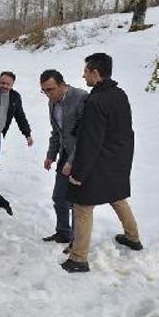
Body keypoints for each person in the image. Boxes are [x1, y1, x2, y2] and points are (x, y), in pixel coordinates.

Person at [61, 53, 143, 273]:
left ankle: (78, 258)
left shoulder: (96, 101)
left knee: (83, 207)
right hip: (120, 159)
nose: (83, 75)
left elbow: (90, 142)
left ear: (95, 73)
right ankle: (132, 237)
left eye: (86, 71)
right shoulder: (119, 94)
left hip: (99, 162)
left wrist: (78, 173)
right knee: (117, 197)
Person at [39, 69, 88, 249]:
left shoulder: (81, 98)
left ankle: (77, 242)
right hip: (64, 152)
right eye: (44, 90)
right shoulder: (52, 102)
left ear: (62, 85)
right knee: (59, 197)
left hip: (82, 155)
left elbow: (85, 136)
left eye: (50, 89)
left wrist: (71, 161)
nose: (47, 94)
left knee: (76, 201)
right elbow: (56, 133)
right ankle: (63, 232)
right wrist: (50, 156)